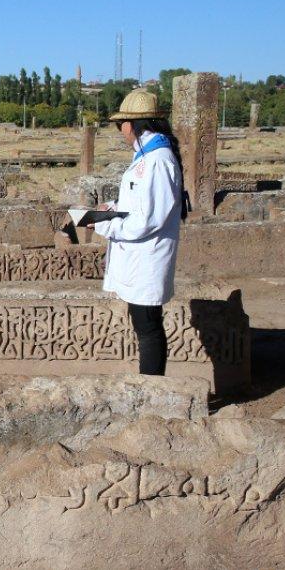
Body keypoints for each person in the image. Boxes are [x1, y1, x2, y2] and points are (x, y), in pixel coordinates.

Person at [90, 89, 186, 375]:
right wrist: (112, 208)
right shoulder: (149, 156)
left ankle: (151, 387)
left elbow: (147, 219)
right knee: (145, 324)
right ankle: (150, 384)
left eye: (121, 124)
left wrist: (106, 224)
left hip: (147, 258)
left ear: (131, 125)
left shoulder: (157, 160)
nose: (121, 131)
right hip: (140, 257)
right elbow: (141, 202)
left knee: (148, 328)